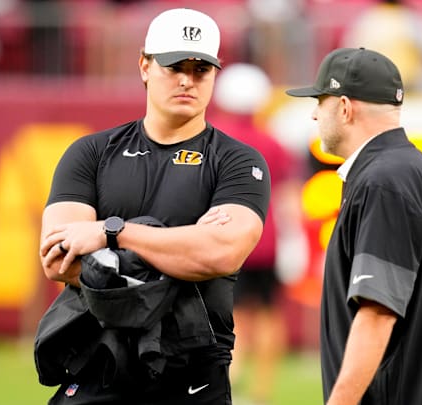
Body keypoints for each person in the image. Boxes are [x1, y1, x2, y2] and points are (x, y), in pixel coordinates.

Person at [37, 8, 271, 405]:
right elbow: (60, 259)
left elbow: (221, 252)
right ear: (145, 65)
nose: (187, 79)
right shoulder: (90, 153)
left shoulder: (237, 161)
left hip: (194, 373)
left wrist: (112, 234)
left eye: (201, 70)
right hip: (98, 362)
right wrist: (182, 247)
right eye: (174, 66)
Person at [286, 48, 422, 405]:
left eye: (320, 102)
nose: (313, 114)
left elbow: (377, 313)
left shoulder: (384, 181)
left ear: (344, 107)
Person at [212, 63, 305, 404]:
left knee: (225, 314)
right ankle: (262, 390)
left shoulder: (211, 137)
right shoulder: (274, 142)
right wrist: (294, 242)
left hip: (220, 240)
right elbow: (289, 199)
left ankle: (229, 381)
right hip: (266, 242)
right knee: (268, 314)